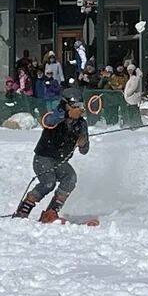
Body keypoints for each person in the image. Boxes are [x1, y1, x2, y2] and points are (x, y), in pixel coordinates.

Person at [12, 92, 90, 222]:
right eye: (74, 105)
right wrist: (67, 115)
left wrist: (83, 144)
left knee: (70, 178)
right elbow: (47, 121)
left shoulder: (81, 124)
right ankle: (23, 211)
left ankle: (51, 212)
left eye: (80, 105)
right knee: (49, 182)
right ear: (66, 105)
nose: (78, 108)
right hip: (43, 157)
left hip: (59, 160)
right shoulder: (56, 114)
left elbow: (85, 151)